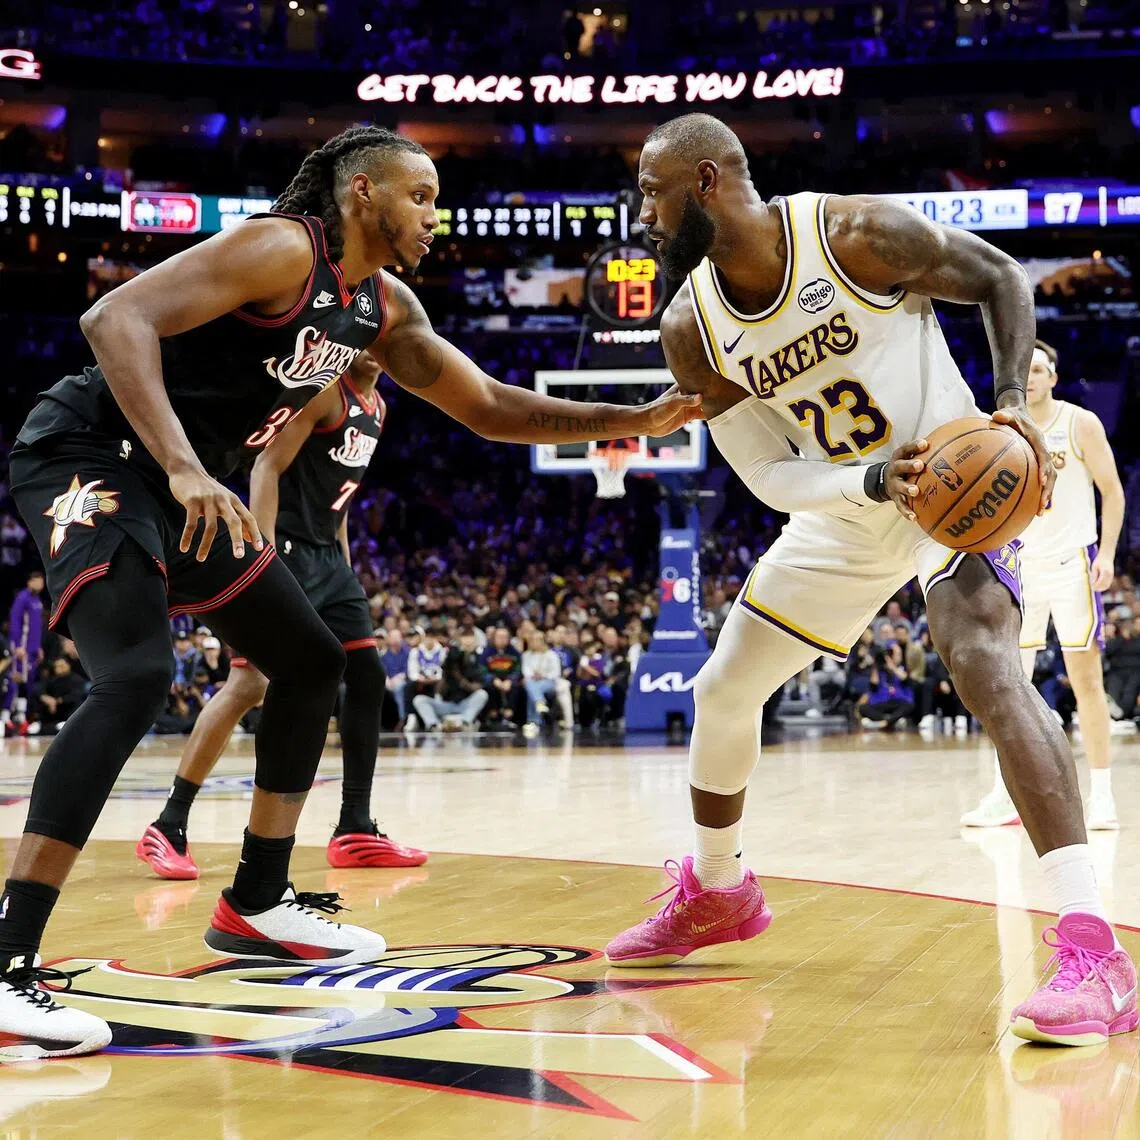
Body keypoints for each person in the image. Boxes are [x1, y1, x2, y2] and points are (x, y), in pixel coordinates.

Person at [0, 124, 701, 1059]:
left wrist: (632, 417)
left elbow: (488, 407)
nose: (434, 217)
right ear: (363, 191)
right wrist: (182, 467)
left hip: (185, 485)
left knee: (310, 659)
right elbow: (113, 319)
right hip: (98, 455)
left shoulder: (382, 309)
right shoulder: (283, 247)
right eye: (421, 197)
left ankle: (254, 901)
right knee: (133, 676)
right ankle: (9, 963)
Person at [605, 113, 1135, 1049]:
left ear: (705, 184)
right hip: (852, 506)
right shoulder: (691, 328)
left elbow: (1000, 278)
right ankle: (719, 890)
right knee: (723, 691)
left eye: (651, 189)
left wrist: (1010, 408)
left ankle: (1094, 948)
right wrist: (870, 481)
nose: (639, 211)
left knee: (982, 663)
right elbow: (767, 474)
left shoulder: (853, 236)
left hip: (963, 494)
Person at [136, 355, 426, 880]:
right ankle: (168, 823)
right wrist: (260, 555)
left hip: (329, 557)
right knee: (248, 684)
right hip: (284, 550)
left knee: (367, 675)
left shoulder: (377, 406)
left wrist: (348, 568)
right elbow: (266, 466)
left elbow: (339, 502)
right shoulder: (325, 394)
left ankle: (355, 826)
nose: (375, 343)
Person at [961, 339, 1125, 831]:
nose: (1029, 377)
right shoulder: (1000, 428)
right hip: (1017, 566)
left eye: (1038, 369)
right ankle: (1002, 795)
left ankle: (1102, 796)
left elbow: (1112, 491)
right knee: (1006, 685)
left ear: (1053, 376)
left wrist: (1110, 554)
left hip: (1073, 562)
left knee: (1086, 683)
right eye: (1023, 369)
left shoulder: (1080, 423)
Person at [411, 628, 488, 731]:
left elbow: (478, 687)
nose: (467, 641)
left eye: (470, 638)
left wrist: (460, 679)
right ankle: (434, 725)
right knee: (419, 700)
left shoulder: (477, 659)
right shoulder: (451, 659)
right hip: (446, 705)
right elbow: (440, 690)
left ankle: (465, 723)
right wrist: (447, 673)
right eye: (465, 638)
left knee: (482, 694)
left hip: (464, 704)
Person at [3, 570, 45, 732]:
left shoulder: (38, 600)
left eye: (41, 581)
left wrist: (38, 646)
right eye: (37, 580)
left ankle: (21, 717)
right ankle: (8, 717)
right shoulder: (22, 598)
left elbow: (36, 628)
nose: (40, 583)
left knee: (28, 683)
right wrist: (18, 645)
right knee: (16, 680)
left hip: (33, 649)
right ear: (29, 582)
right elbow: (15, 622)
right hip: (22, 648)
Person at [520, 629, 571, 737]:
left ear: (543, 641)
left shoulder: (551, 655)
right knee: (530, 685)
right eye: (532, 640)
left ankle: (533, 720)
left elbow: (556, 674)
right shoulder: (526, 655)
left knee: (532, 688)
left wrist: (543, 675)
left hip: (549, 683)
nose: (534, 642)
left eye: (537, 640)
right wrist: (533, 676)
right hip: (532, 681)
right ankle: (539, 704)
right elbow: (526, 671)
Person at [481, 625, 523, 727]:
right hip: (493, 680)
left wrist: (509, 680)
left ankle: (509, 715)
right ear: (494, 638)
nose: (502, 640)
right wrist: (493, 679)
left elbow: (518, 670)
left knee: (516, 687)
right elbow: (482, 670)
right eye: (499, 637)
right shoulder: (486, 652)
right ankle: (493, 716)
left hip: (509, 680)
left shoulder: (514, 652)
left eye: (505, 637)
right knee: (489, 687)